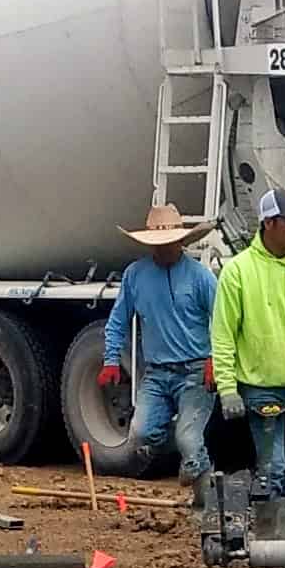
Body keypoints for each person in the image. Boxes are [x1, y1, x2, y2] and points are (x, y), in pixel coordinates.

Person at [213, 186, 285, 547]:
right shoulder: (239, 272)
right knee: (273, 468)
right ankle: (267, 548)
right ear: (268, 223)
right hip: (260, 387)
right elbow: (223, 333)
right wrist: (227, 387)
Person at [101, 203, 222, 534]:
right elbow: (118, 320)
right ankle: (188, 453)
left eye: (169, 242)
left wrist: (217, 359)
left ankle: (204, 507)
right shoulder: (135, 276)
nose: (164, 248)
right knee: (140, 434)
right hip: (157, 372)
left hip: (195, 370)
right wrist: (111, 358)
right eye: (158, 243)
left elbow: (223, 321)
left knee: (189, 439)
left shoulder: (200, 277)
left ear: (181, 242)